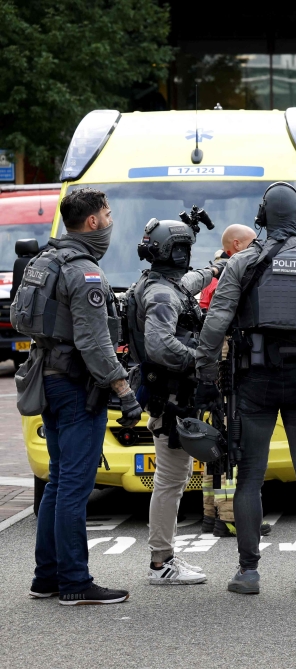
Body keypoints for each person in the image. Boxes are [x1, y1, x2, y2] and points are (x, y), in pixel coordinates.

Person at [194, 182, 296, 595]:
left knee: (249, 476)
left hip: (254, 382)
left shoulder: (242, 262)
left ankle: (248, 572)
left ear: (262, 217)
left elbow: (214, 325)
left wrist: (205, 375)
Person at [13, 188, 141, 605]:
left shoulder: (43, 260)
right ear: (92, 223)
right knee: (74, 487)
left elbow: (18, 316)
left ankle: (46, 577)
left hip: (47, 380)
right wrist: (123, 388)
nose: (110, 222)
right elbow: (94, 342)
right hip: (76, 388)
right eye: (107, 215)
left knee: (57, 481)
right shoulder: (84, 270)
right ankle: (74, 582)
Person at [127, 214, 226, 585]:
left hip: (169, 394)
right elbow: (159, 344)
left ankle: (163, 557)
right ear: (178, 250)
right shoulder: (163, 294)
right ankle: (161, 562)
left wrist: (217, 267)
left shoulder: (161, 282)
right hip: (171, 397)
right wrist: (203, 359)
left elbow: (192, 280)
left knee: (175, 477)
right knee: (170, 480)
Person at [197, 224, 258, 537]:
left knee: (217, 445)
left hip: (214, 368)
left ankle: (212, 514)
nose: (258, 247)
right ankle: (231, 517)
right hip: (230, 364)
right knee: (235, 441)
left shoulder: (212, 277)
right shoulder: (235, 276)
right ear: (236, 244)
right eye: (252, 242)